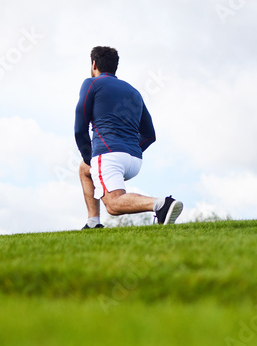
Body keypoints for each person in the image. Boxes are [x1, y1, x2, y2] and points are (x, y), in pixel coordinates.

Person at [75, 46, 183, 229]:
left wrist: (90, 157)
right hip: (134, 160)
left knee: (113, 204)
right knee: (84, 169)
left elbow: (80, 128)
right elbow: (150, 135)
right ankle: (93, 223)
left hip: (108, 155)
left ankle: (161, 204)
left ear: (94, 64)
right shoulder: (134, 92)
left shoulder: (90, 83)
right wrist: (130, 147)